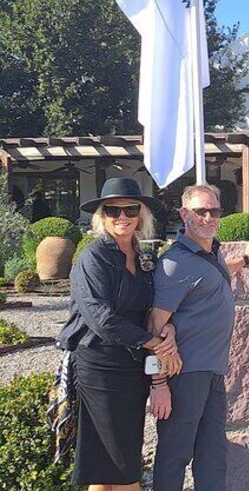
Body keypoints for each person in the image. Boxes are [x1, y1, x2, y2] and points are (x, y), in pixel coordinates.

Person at [147, 184, 249, 491]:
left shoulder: (211, 252)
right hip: (183, 374)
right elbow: (153, 327)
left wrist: (245, 261)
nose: (208, 217)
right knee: (174, 455)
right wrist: (158, 384)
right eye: (199, 211)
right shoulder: (174, 263)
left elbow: (209, 275)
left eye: (213, 211)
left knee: (212, 454)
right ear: (183, 214)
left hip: (213, 371)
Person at [56, 178, 181, 490]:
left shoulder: (146, 257)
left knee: (105, 464)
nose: (122, 216)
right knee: (122, 464)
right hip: (99, 366)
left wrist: (167, 331)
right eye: (113, 210)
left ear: (141, 215)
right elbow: (100, 318)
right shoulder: (93, 257)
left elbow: (153, 308)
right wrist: (153, 343)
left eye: (130, 209)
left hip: (131, 366)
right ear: (102, 215)